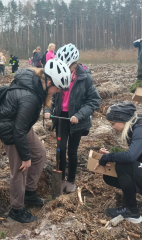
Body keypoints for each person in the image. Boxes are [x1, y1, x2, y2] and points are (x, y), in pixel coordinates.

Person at [0, 59, 71, 223]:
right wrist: (26, 158)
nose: (57, 92)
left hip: (19, 124)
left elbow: (22, 126)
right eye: (57, 88)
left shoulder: (38, 84)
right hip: (9, 129)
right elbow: (18, 132)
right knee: (21, 167)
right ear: (49, 81)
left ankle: (29, 192)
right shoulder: (31, 98)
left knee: (39, 153)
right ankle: (17, 209)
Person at [45, 44, 100, 193]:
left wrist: (79, 115)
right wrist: (48, 110)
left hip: (76, 118)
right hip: (61, 117)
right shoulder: (56, 74)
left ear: (75, 64)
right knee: (60, 149)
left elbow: (94, 100)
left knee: (72, 151)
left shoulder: (85, 78)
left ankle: (70, 180)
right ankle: (60, 178)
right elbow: (50, 94)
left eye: (67, 66)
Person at [95, 101, 142, 224]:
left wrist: (108, 157)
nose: (113, 127)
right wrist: (110, 154)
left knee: (123, 166)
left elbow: (130, 157)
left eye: (113, 123)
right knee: (110, 176)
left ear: (122, 120)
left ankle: (132, 211)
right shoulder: (139, 125)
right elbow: (138, 155)